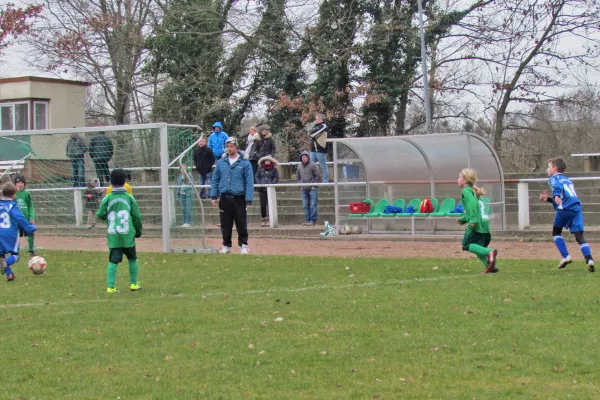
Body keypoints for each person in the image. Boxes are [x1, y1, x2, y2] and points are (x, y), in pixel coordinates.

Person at [540, 158, 594, 272]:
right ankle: (589, 260)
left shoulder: (553, 178)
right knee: (579, 235)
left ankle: (566, 256)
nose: (547, 169)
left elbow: (558, 188)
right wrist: (549, 199)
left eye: (549, 167)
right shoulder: (568, 180)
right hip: (576, 207)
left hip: (566, 208)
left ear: (555, 168)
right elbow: (567, 196)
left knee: (556, 232)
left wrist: (555, 195)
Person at [96, 169, 143, 293]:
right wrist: (138, 231)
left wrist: (109, 218)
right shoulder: (129, 198)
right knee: (132, 259)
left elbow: (100, 214)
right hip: (127, 235)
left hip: (114, 236)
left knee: (113, 261)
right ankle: (133, 284)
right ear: (124, 182)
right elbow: (137, 216)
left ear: (111, 183)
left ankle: (110, 287)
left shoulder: (108, 198)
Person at [210, 137, 254, 254]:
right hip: (225, 197)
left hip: (239, 198)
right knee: (225, 223)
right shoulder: (221, 163)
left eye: (231, 146)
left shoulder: (245, 163)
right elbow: (215, 180)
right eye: (228, 146)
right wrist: (213, 196)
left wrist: (248, 199)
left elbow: (249, 181)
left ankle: (243, 245)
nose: (229, 148)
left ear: (236, 147)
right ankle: (226, 245)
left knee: (241, 223)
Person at [457, 168, 498, 274]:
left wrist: (473, 220)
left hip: (477, 224)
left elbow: (472, 205)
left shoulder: (466, 191)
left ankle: (490, 253)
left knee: (467, 245)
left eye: (459, 177)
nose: (457, 179)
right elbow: (476, 209)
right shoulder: (474, 191)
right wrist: (464, 219)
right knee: (478, 248)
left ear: (465, 180)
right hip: (484, 224)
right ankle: (491, 267)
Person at [0, 182, 36, 281]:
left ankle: (9, 274)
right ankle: (6, 263)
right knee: (15, 256)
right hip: (9, 234)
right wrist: (30, 229)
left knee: (1, 255)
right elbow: (20, 218)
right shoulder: (12, 205)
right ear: (13, 195)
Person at [13, 175, 36, 256]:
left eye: (22, 182)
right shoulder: (13, 194)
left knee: (30, 233)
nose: (20, 184)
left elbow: (30, 206)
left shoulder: (26, 194)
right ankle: (16, 251)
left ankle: (31, 250)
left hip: (25, 218)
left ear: (24, 184)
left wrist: (32, 217)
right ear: (15, 184)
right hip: (16, 219)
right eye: (18, 182)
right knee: (16, 236)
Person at [296, 151, 321, 226]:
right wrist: (300, 185)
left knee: (313, 205)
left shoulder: (313, 165)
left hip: (312, 188)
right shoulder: (299, 166)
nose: (304, 158)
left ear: (308, 158)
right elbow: (297, 176)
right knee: (305, 206)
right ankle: (308, 220)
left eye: (305, 157)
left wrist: (314, 185)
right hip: (303, 189)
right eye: (303, 157)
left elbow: (318, 175)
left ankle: (313, 220)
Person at [255, 155, 280, 226]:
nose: (267, 162)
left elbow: (276, 177)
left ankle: (270, 219)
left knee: (270, 204)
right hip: (262, 189)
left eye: (268, 160)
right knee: (263, 205)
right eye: (266, 161)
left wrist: (272, 183)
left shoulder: (274, 169)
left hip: (270, 189)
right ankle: (263, 218)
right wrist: (260, 183)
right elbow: (257, 176)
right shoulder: (260, 169)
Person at [309, 114, 329, 183]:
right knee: (311, 166)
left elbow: (312, 135)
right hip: (313, 150)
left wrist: (312, 134)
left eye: (316, 119)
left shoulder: (323, 126)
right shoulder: (316, 126)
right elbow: (310, 133)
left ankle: (325, 181)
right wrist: (312, 133)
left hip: (320, 150)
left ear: (320, 119)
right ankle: (312, 181)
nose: (315, 120)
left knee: (323, 166)